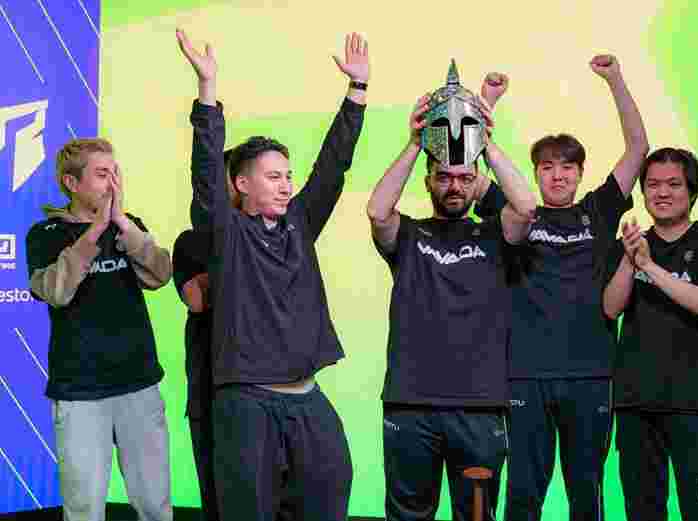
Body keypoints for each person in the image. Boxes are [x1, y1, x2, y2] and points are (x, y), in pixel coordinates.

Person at [177, 29, 368, 520]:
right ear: (242, 184)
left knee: (330, 493)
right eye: (273, 176)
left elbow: (333, 166)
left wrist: (356, 92)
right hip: (247, 406)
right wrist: (207, 90)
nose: (286, 186)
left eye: (287, 176)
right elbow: (205, 173)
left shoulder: (300, 224)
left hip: (306, 399)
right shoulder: (227, 233)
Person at [475, 55, 649, 520]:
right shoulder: (515, 213)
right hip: (525, 375)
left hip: (591, 376)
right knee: (523, 493)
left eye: (568, 167)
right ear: (535, 173)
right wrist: (486, 101)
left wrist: (615, 79)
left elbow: (638, 148)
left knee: (586, 495)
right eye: (548, 167)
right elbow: (468, 169)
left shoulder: (598, 211)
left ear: (580, 172)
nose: (558, 175)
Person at [368, 61, 537, 521]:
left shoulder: (494, 234)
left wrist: (486, 142)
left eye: (464, 177)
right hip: (410, 405)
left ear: (476, 179)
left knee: (477, 516)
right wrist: (414, 143)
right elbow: (378, 211)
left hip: (480, 408)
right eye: (443, 176)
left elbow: (526, 207)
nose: (454, 186)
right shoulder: (409, 234)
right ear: (428, 181)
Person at [25, 138, 173, 521]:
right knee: (84, 508)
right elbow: (55, 292)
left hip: (139, 384)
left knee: (155, 503)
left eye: (115, 173)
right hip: (79, 391)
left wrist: (122, 225)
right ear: (72, 183)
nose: (112, 184)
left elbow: (160, 274)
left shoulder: (129, 226)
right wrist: (94, 232)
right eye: (102, 174)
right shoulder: (45, 234)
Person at [603, 148, 698, 521]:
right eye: (653, 185)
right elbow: (611, 308)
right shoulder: (630, 245)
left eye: (674, 184)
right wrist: (629, 259)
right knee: (642, 511)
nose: (662, 193)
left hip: (697, 404)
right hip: (635, 403)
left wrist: (649, 266)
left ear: (692, 191)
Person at [171, 227, 216, 521]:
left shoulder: (272, 235)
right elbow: (197, 300)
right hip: (208, 391)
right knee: (215, 497)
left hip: (262, 389)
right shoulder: (191, 241)